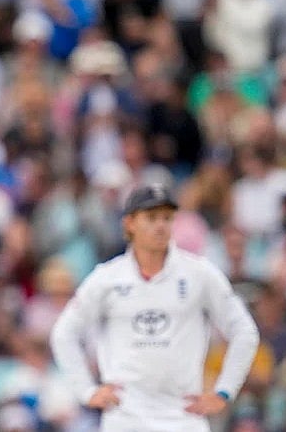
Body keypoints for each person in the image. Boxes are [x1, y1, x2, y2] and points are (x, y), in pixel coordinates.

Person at [50, 184, 260, 431]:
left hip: (183, 415)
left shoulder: (199, 274)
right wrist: (87, 391)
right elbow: (63, 334)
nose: (161, 226)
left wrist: (224, 391)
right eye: (151, 218)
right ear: (129, 223)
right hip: (125, 417)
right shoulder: (107, 278)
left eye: (167, 218)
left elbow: (244, 332)